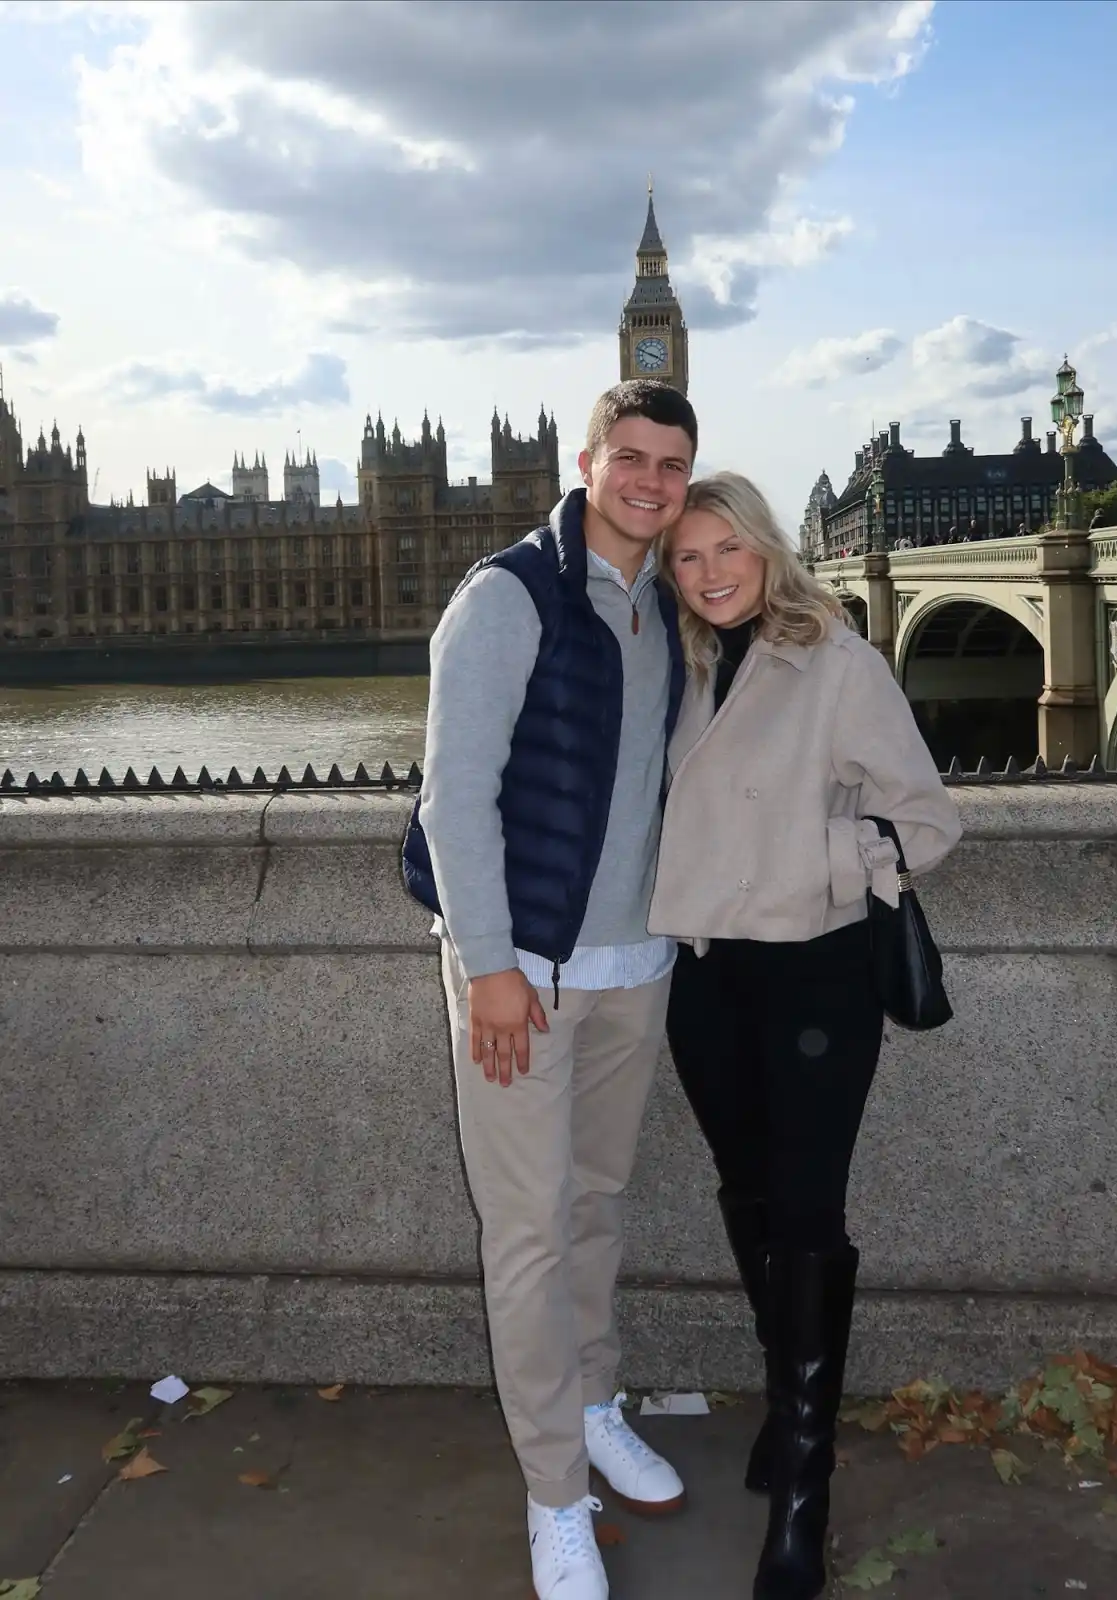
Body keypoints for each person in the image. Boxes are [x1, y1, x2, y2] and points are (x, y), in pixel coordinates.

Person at [404, 380, 698, 1600]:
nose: (649, 480)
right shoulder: (509, 594)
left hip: (636, 964)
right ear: (586, 463)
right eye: (630, 457)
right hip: (523, 971)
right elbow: (452, 797)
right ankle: (553, 1495)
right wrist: (489, 965)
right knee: (528, 1236)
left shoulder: (674, 598)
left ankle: (590, 1402)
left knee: (596, 1205)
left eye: (671, 464)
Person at [647, 473, 961, 1600]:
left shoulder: (836, 660)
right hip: (704, 973)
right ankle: (788, 1408)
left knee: (809, 1210)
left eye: (728, 549)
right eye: (688, 557)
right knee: (747, 1191)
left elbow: (926, 819)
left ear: (767, 549)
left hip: (816, 972)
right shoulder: (671, 666)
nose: (710, 573)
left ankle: (804, 1492)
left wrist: (819, 865)